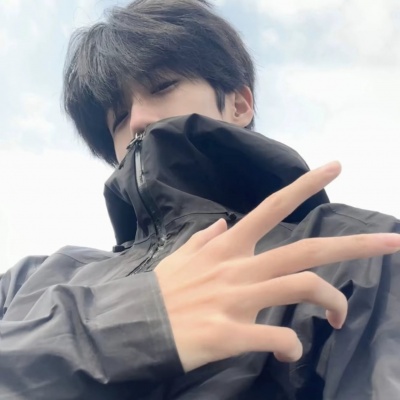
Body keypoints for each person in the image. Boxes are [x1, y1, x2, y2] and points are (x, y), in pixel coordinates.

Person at [1, 0, 400, 399]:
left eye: (163, 87)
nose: (137, 120)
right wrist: (141, 321)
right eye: (118, 118)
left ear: (239, 104)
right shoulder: (29, 281)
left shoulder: (350, 250)